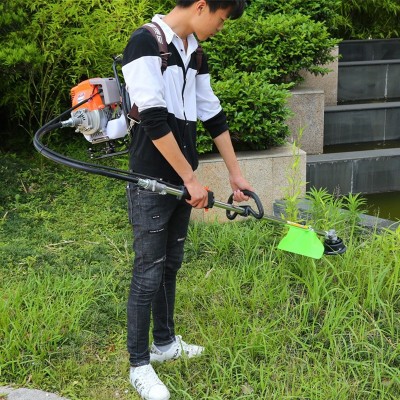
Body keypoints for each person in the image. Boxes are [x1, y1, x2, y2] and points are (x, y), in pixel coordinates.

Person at [122, 1, 251, 399]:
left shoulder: (193, 51)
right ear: (201, 6)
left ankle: (164, 343)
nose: (220, 27)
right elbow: (152, 119)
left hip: (182, 182)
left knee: (170, 265)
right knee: (147, 272)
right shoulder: (144, 43)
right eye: (221, 19)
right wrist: (191, 180)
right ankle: (139, 365)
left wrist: (235, 174)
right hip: (152, 180)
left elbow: (212, 114)